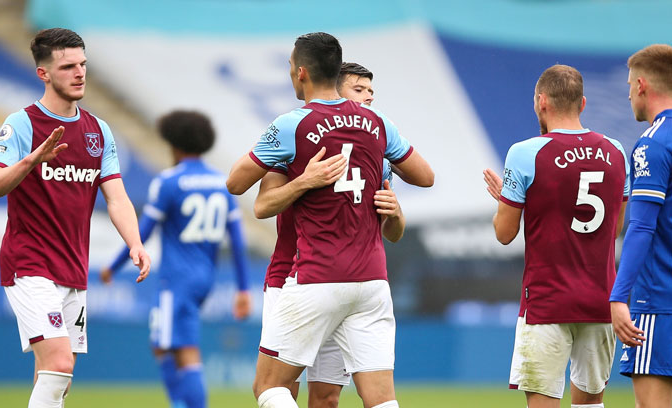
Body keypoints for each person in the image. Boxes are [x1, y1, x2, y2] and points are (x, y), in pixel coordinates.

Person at [226, 32, 434, 408]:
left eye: (290, 68)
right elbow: (425, 176)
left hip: (314, 276)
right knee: (381, 398)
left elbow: (235, 183)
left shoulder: (292, 126)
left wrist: (307, 180)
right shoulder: (378, 124)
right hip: (370, 281)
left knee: (270, 387)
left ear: (301, 72)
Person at [0, 28, 150, 408]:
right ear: (44, 74)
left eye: (83, 65)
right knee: (59, 364)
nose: (79, 73)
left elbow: (117, 197)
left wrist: (135, 243)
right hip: (29, 263)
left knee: (54, 375)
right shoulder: (22, 123)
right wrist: (30, 161)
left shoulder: (98, 130)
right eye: (68, 66)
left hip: (73, 268)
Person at [254, 61, 407, 408]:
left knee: (326, 396)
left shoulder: (377, 157)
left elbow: (394, 233)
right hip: (291, 278)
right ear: (335, 93)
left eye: (371, 91)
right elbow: (261, 204)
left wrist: (395, 213)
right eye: (359, 90)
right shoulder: (295, 141)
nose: (368, 98)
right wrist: (305, 180)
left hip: (348, 281)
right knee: (283, 386)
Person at [484, 64, 629, 408]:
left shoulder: (526, 152)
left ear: (541, 101)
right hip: (600, 299)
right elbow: (615, 228)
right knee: (591, 405)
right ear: (583, 104)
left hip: (548, 300)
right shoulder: (616, 152)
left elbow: (504, 234)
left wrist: (508, 200)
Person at [101, 110, 252, 408]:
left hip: (178, 278)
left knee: (181, 348)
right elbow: (236, 239)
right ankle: (181, 403)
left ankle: (187, 404)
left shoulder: (169, 182)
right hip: (204, 277)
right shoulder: (222, 182)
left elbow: (142, 231)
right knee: (162, 342)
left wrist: (113, 266)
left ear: (174, 143)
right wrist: (243, 289)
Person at [609, 44, 672, 408]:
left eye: (630, 84)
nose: (628, 93)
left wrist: (620, 296)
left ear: (643, 85)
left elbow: (642, 227)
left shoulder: (652, 144)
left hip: (659, 302)